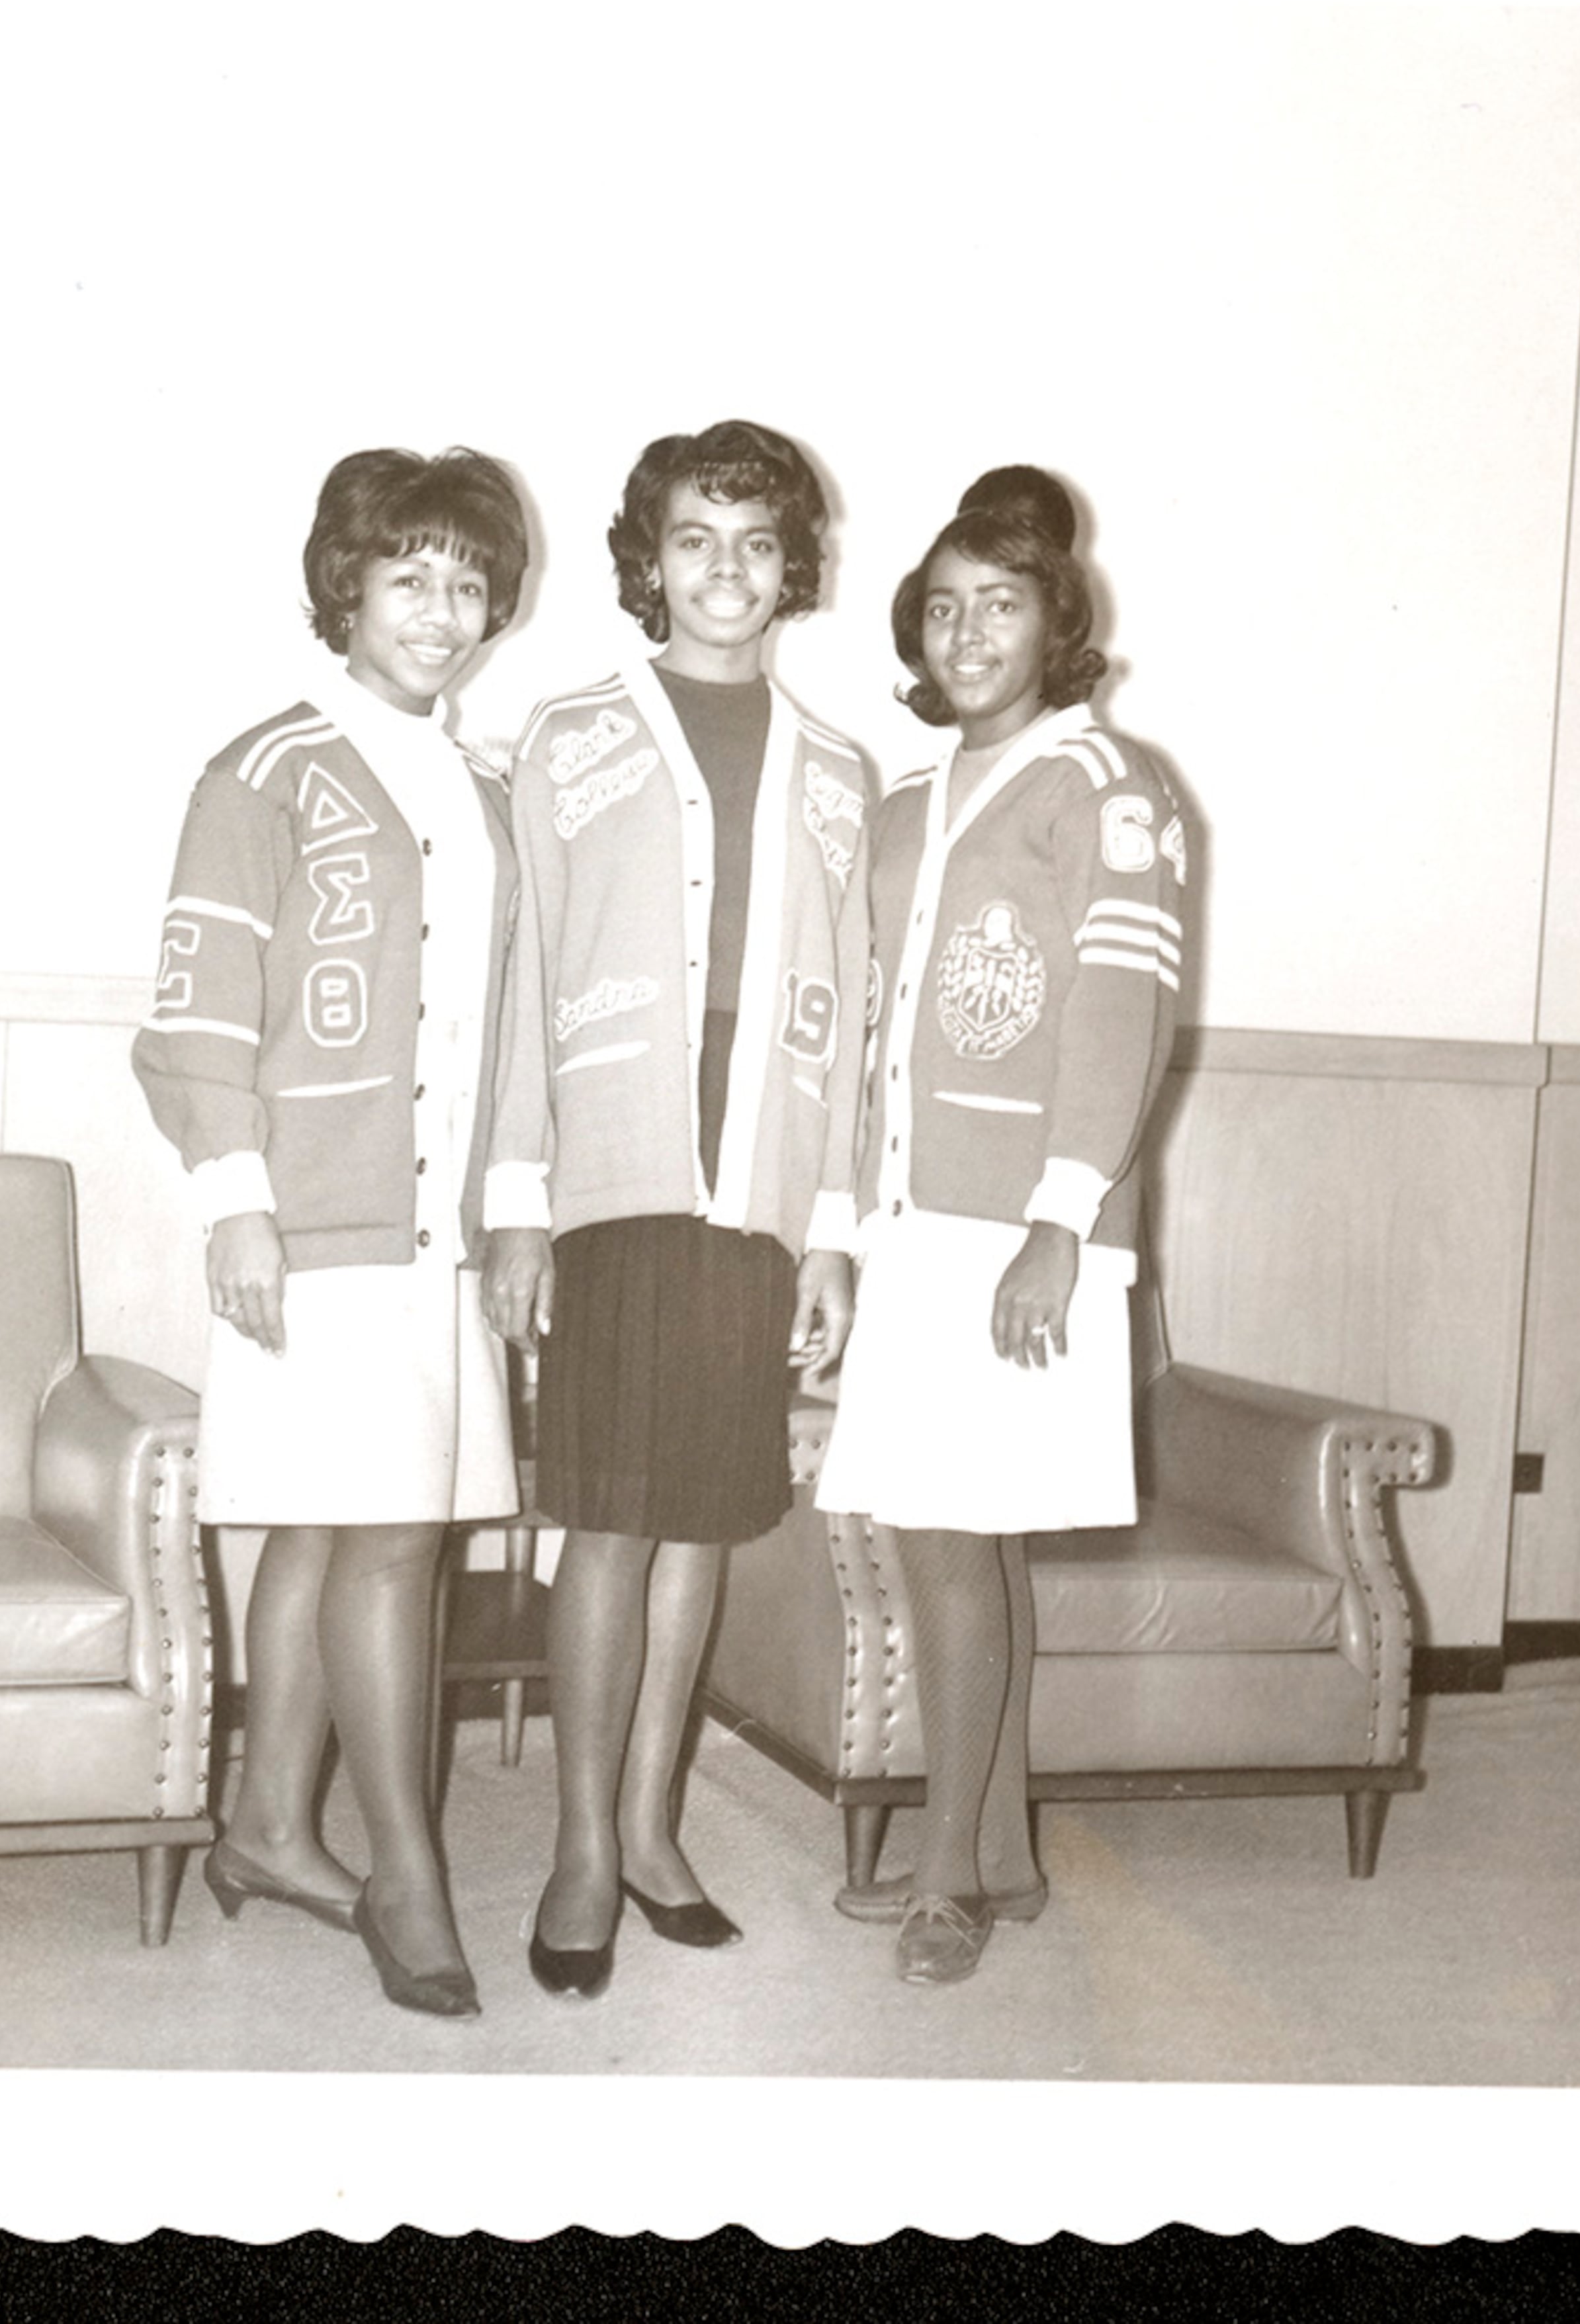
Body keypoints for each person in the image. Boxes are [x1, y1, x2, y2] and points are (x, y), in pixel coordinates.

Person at [133, 447, 532, 2020]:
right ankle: (409, 1873)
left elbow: (517, 1038)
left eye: (466, 580)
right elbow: (195, 1013)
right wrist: (234, 1205)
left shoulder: (490, 792)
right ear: (347, 589)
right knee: (389, 1542)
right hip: (308, 1224)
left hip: (436, 1239)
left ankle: (270, 1831)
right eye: (408, 575)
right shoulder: (265, 770)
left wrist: (515, 1216)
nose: (439, 610)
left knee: (323, 1527)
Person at [482, 418, 872, 2000]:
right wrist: (518, 1199)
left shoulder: (837, 770)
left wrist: (833, 1224)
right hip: (613, 1185)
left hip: (758, 1197)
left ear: (794, 567)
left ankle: (653, 1832)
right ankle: (580, 1847)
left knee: (706, 1515)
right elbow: (523, 982)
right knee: (612, 1522)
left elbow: (844, 1022)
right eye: (698, 539)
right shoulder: (568, 738)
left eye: (759, 542)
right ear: (652, 560)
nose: (729, 570)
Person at [813, 465, 1188, 1985]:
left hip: (1020, 1230)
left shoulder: (1109, 786)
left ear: (1058, 621)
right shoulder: (908, 803)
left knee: (951, 1546)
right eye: (945, 606)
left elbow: (1123, 1009)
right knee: (955, 1546)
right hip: (912, 1226)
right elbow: (859, 1034)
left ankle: (949, 1877)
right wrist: (837, 1228)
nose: (969, 632)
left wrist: (1060, 1220)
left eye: (1003, 604)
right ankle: (1008, 1856)